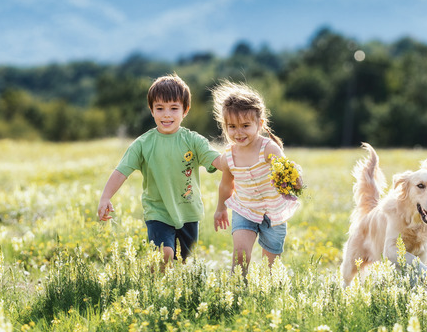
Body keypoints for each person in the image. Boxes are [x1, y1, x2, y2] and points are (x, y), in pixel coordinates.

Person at [98, 73, 221, 267]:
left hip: (188, 211)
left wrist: (236, 163)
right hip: (157, 211)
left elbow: (215, 160)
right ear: (152, 110)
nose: (166, 114)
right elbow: (121, 171)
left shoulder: (193, 141)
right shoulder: (143, 143)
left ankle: (165, 290)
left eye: (174, 108)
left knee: (180, 262)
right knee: (164, 254)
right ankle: (156, 287)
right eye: (160, 108)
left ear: (185, 110)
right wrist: (105, 197)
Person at [212, 80, 301, 279]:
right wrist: (220, 209)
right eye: (232, 127)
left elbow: (289, 175)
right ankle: (237, 293)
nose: (238, 132)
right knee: (240, 256)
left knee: (271, 265)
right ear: (224, 126)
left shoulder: (269, 149)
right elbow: (227, 184)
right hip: (245, 210)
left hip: (273, 213)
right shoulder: (229, 156)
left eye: (245, 125)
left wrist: (296, 181)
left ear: (259, 124)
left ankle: (269, 291)